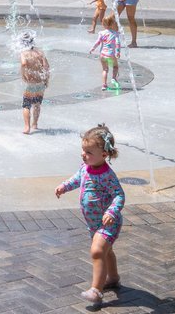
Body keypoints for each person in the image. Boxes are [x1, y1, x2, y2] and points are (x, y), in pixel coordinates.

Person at [55, 123, 125, 306]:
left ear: (104, 155)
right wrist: (64, 186)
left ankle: (96, 291)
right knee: (106, 252)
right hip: (94, 223)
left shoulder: (108, 175)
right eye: (83, 150)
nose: (83, 155)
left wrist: (111, 211)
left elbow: (119, 195)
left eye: (88, 152)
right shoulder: (85, 167)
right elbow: (77, 179)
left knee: (96, 251)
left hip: (108, 222)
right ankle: (114, 278)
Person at [19, 31, 50, 134]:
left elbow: (23, 64)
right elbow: (46, 67)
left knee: (26, 104)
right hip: (40, 82)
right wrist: (46, 79)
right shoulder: (40, 53)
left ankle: (27, 127)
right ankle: (35, 124)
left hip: (30, 82)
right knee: (37, 104)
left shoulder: (24, 53)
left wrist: (23, 74)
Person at [88, 14, 122, 90]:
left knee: (105, 70)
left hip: (102, 54)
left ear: (103, 24)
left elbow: (98, 42)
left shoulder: (101, 33)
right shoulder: (115, 33)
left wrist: (92, 48)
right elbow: (117, 43)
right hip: (111, 54)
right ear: (113, 23)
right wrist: (118, 52)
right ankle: (113, 78)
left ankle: (104, 85)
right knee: (115, 66)